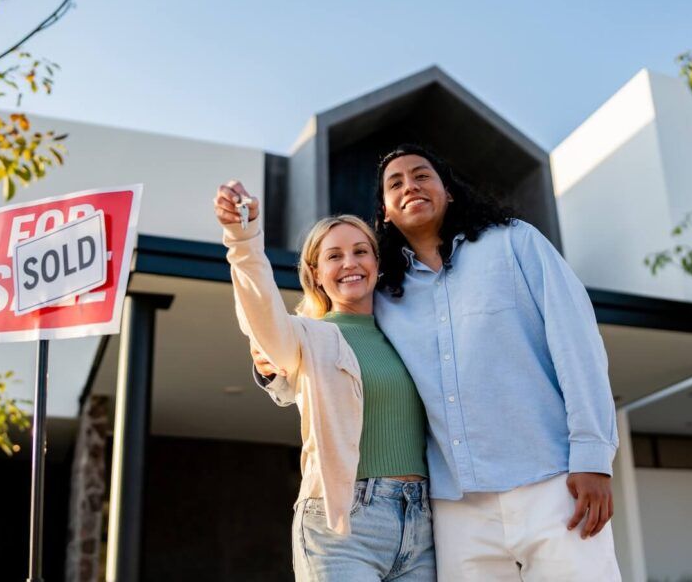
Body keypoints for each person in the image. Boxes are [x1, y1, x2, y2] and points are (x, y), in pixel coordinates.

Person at [255, 144, 621, 581]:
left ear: (447, 191)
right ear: (385, 213)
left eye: (421, 175)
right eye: (395, 183)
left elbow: (577, 346)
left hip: (551, 481)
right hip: (457, 509)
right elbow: (331, 347)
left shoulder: (516, 243)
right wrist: (271, 365)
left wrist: (593, 456)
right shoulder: (387, 293)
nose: (410, 185)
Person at [214, 180, 436, 582]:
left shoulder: (408, 335)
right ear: (315, 274)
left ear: (377, 262)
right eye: (334, 256)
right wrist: (243, 239)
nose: (349, 263)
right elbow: (261, 317)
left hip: (422, 525)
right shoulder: (308, 336)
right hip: (342, 526)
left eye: (360, 252)